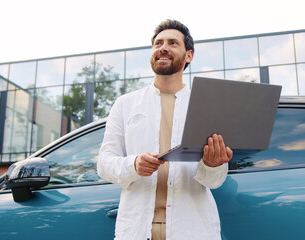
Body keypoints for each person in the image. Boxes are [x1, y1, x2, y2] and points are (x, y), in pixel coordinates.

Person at [98, 19, 233, 240]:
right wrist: (134, 164)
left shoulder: (208, 106)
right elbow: (104, 164)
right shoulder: (125, 104)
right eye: (158, 43)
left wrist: (213, 164)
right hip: (136, 230)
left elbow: (214, 181)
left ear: (188, 55)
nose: (163, 47)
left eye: (172, 43)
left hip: (192, 230)